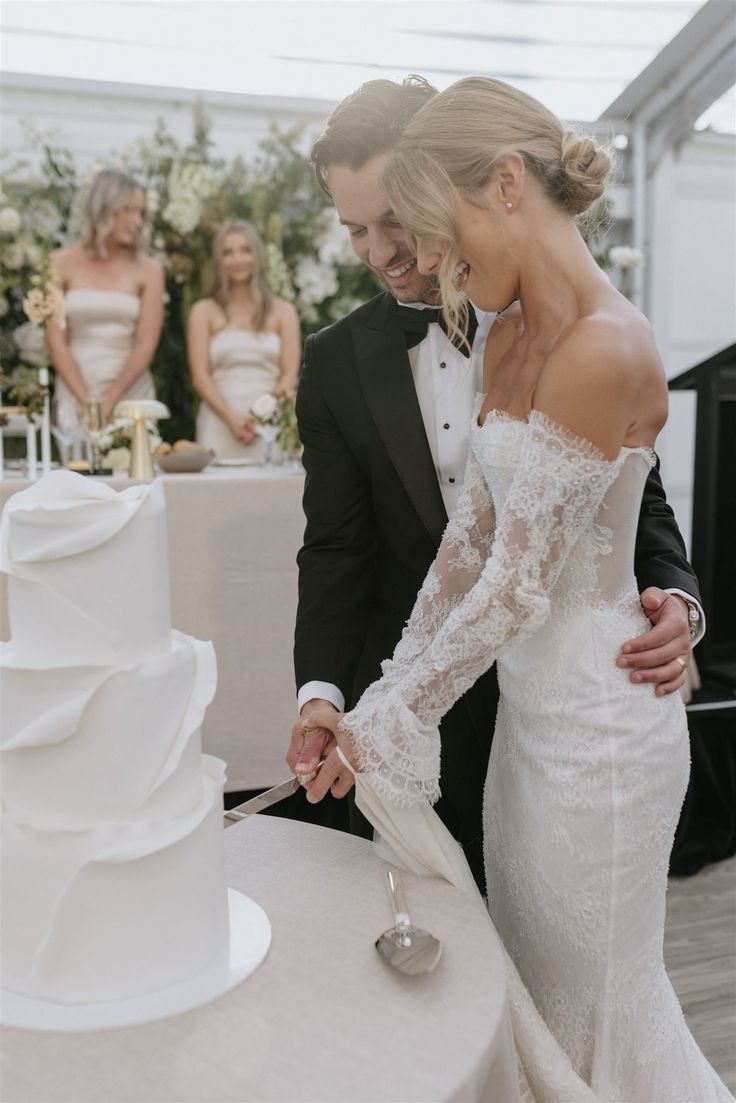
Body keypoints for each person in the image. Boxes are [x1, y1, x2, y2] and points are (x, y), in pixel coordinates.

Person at [299, 77, 731, 1100]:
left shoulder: (604, 345)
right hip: (521, 735)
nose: (434, 263)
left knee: (600, 1003)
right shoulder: (499, 330)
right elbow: (467, 544)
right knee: (529, 983)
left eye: (435, 235)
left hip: (600, 728)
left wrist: (393, 713)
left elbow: (513, 588)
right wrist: (373, 692)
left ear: (502, 184)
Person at [47, 169, 164, 431]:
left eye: (141, 213)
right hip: (74, 390)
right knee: (77, 470)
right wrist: (87, 400)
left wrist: (111, 397)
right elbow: (56, 340)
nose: (137, 221)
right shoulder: (59, 262)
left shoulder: (150, 269)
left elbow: (145, 343)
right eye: (129, 210)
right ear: (104, 209)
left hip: (131, 393)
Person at [187, 220, 300, 460]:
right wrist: (232, 420)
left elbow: (289, 376)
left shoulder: (284, 312)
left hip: (270, 428)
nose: (238, 259)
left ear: (257, 255)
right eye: (228, 252)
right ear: (219, 261)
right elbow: (200, 377)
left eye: (245, 250)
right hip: (218, 425)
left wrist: (260, 417)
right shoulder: (203, 311)